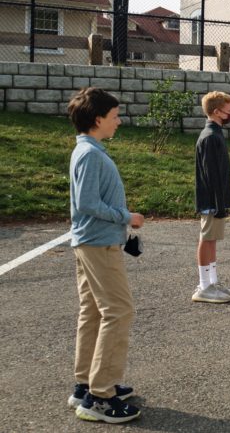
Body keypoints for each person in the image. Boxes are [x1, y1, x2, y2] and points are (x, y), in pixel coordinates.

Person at [66, 87, 144, 424]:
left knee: (94, 312)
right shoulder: (91, 155)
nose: (119, 122)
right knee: (119, 310)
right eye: (114, 117)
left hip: (89, 242)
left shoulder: (85, 150)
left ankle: (85, 384)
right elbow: (87, 203)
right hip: (99, 244)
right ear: (98, 119)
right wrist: (126, 217)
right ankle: (101, 395)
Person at [192, 91, 230, 304]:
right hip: (211, 200)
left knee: (212, 240)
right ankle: (204, 286)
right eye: (228, 111)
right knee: (206, 238)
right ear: (216, 112)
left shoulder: (215, 133)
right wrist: (218, 203)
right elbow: (211, 174)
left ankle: (212, 282)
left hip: (215, 199)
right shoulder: (210, 137)